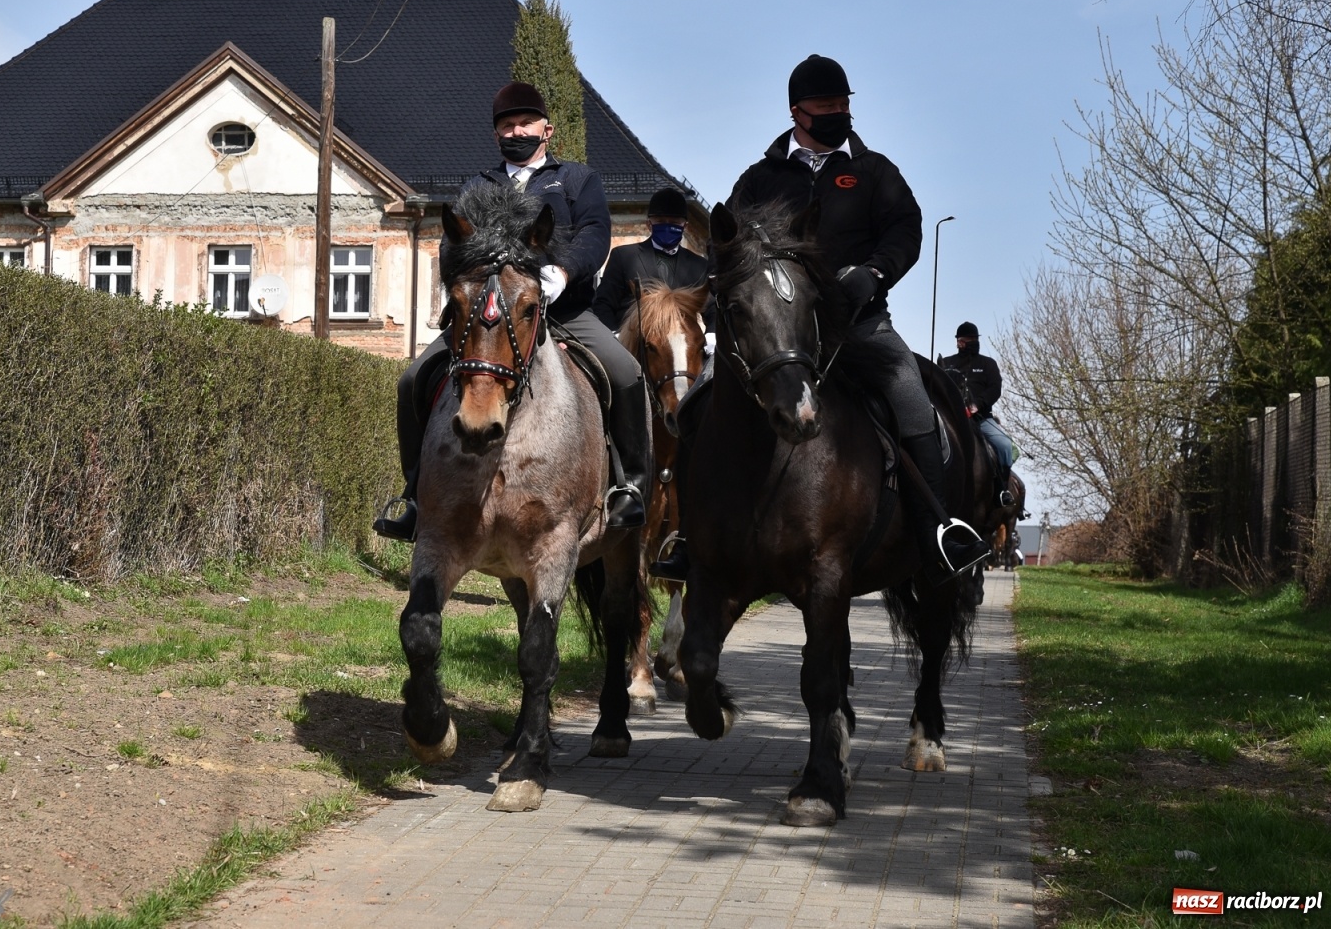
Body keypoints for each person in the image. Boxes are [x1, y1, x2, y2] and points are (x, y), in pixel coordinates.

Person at [688, 54, 991, 583]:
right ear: (796, 112)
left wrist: (875, 273)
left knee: (912, 397)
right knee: (698, 399)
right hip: (777, 330)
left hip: (860, 324)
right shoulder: (760, 178)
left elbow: (906, 229)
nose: (838, 113)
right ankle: (688, 534)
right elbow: (727, 248)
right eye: (825, 106)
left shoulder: (874, 172)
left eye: (843, 104)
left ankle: (938, 532)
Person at [373, 82, 651, 541]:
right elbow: (452, 245)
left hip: (566, 310)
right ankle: (415, 498)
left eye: (525, 123)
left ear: (547, 130)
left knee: (626, 373)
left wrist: (562, 273)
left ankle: (630, 488)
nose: (517, 131)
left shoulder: (577, 179)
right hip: (491, 318)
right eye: (507, 126)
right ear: (496, 134)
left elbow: (595, 233)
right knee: (412, 380)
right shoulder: (477, 187)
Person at [593, 187, 715, 336]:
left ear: (685, 226)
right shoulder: (623, 256)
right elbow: (603, 303)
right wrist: (614, 336)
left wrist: (711, 335)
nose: (667, 226)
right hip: (632, 339)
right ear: (649, 224)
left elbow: (712, 308)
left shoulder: (699, 266)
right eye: (661, 221)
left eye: (674, 223)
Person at [940, 322, 1016, 507]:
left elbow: (995, 389)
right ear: (958, 341)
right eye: (965, 339)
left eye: (972, 339)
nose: (969, 342)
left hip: (980, 419)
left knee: (1005, 445)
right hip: (951, 419)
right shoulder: (947, 363)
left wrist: (977, 405)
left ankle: (1002, 489)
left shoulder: (988, 364)